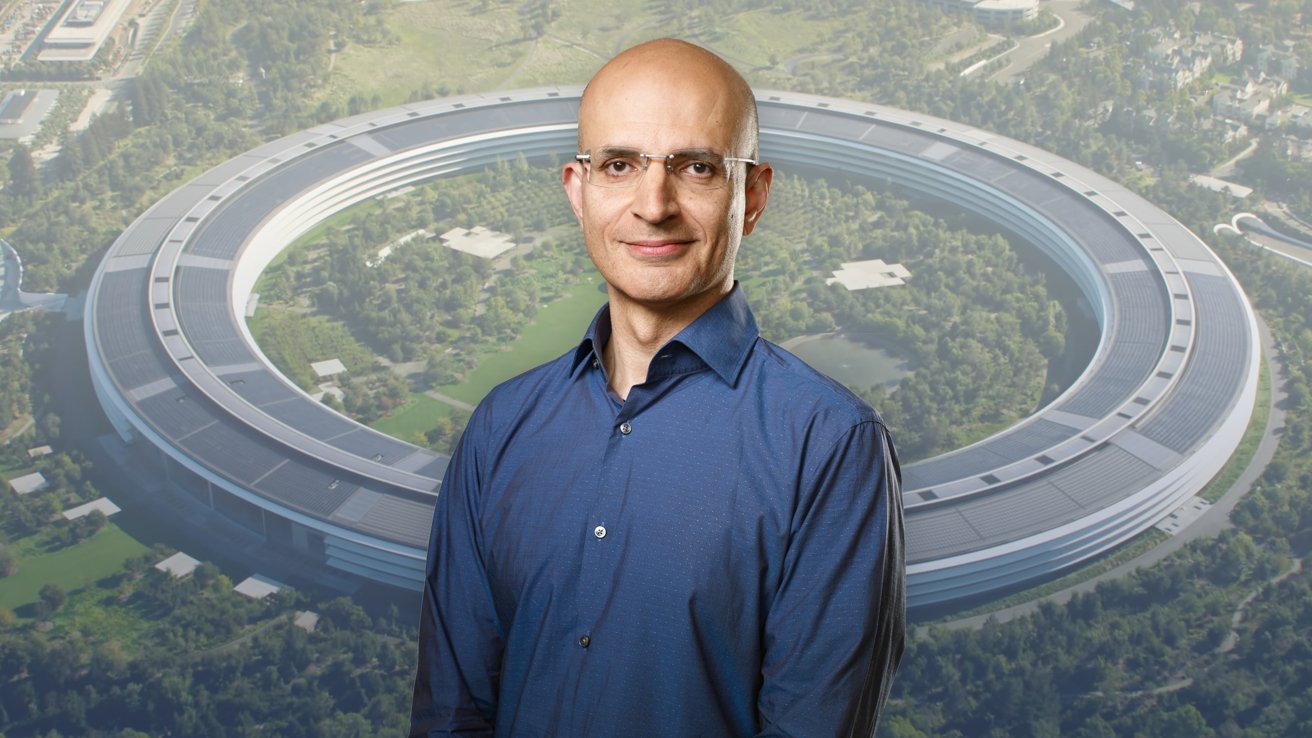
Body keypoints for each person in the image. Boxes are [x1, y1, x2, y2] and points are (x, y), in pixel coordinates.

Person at [411, 38, 905, 737]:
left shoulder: (829, 446)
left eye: (697, 168)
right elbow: (450, 714)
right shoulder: (501, 429)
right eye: (619, 165)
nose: (654, 205)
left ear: (752, 195)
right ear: (578, 192)